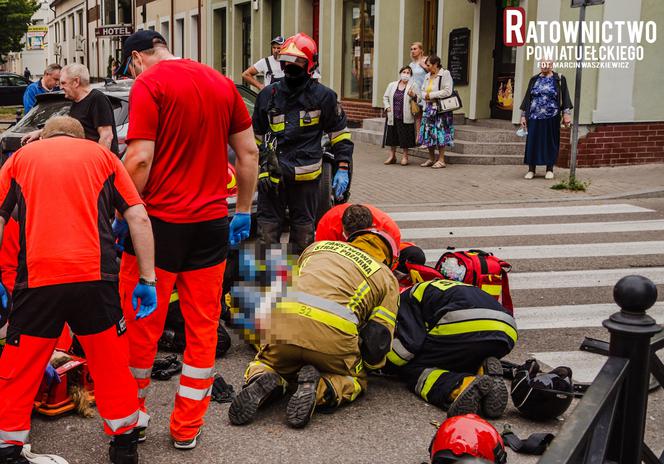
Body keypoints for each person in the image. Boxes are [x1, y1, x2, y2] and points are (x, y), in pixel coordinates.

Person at [116, 30, 258, 450]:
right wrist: (245, 210)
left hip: (158, 225)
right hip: (213, 223)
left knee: (143, 325)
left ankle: (133, 419)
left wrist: (125, 210)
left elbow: (139, 157)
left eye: (128, 67)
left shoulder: (149, 83)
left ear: (137, 58)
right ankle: (186, 428)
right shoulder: (220, 81)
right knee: (201, 328)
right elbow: (248, 153)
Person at [0, 116, 157, 464]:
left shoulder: (21, 159)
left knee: (19, 365)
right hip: (95, 280)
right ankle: (123, 446)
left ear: (45, 135)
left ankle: (8, 447)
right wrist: (148, 279)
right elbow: (138, 218)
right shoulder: (102, 157)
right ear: (80, 136)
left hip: (38, 281)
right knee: (111, 365)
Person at [228, 229, 399, 428]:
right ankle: (322, 389)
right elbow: (378, 339)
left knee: (267, 360)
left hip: (285, 328)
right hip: (333, 340)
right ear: (390, 260)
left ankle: (264, 378)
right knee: (356, 380)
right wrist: (367, 366)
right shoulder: (386, 277)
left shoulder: (318, 247)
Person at [252, 32, 353, 254]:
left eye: (297, 61)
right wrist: (261, 169)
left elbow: (339, 135)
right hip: (272, 178)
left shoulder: (324, 97)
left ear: (310, 64)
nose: (290, 66)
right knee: (267, 231)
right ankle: (265, 282)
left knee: (303, 232)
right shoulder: (268, 95)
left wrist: (343, 167)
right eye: (287, 61)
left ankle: (298, 280)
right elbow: (256, 139)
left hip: (306, 180)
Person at [386, 279, 516, 419]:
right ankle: (482, 371)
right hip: (507, 330)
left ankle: (460, 386)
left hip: (465, 323)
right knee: (454, 357)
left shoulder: (404, 299)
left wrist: (382, 364)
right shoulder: (437, 286)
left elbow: (407, 346)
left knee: (412, 368)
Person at [21, 64, 119, 156]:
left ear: (76, 82)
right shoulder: (76, 102)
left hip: (97, 167)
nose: (60, 87)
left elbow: (106, 136)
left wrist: (99, 165)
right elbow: (67, 129)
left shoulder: (97, 99)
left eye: (63, 83)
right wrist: (39, 133)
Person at [519, 60, 572, 180]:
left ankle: (549, 169)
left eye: (546, 64)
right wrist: (523, 115)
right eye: (542, 64)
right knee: (533, 142)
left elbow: (565, 97)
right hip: (534, 116)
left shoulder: (559, 79)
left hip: (552, 117)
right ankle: (531, 169)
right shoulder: (534, 79)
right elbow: (528, 98)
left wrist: (566, 114)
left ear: (551, 65)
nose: (544, 66)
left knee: (550, 142)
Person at [418, 55, 454, 169]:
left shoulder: (445, 74)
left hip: (440, 109)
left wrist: (431, 95)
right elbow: (422, 90)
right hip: (428, 108)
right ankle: (431, 158)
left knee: (440, 133)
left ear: (436, 64)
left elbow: (448, 91)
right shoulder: (427, 75)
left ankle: (441, 160)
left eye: (428, 65)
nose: (427, 67)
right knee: (428, 133)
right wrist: (425, 96)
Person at [315, 203, 401, 249]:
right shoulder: (328, 224)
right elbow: (322, 257)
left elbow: (387, 268)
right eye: (350, 236)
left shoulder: (390, 232)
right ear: (342, 224)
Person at [383, 66, 419, 165]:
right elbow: (385, 97)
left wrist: (414, 96)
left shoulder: (413, 85)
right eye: (404, 72)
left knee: (405, 137)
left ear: (410, 75)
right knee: (392, 136)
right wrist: (387, 107)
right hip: (393, 115)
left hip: (406, 115)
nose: (406, 74)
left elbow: (419, 99)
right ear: (400, 73)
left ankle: (405, 156)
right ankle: (392, 156)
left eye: (408, 73)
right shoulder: (392, 85)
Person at [408, 42, 428, 135]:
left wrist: (424, 66)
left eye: (415, 49)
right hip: (416, 93)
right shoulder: (411, 64)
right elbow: (410, 79)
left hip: (426, 92)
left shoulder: (426, 60)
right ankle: (418, 138)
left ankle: (425, 139)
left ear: (421, 50)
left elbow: (433, 73)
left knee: (426, 115)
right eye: (411, 49)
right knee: (417, 115)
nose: (412, 51)